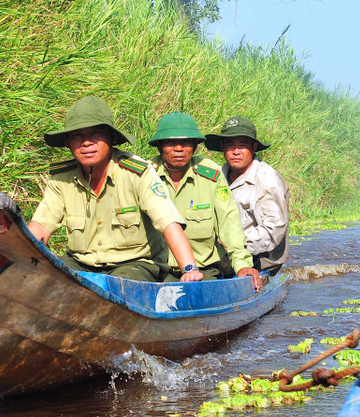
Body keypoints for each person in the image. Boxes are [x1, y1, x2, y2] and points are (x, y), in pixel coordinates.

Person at [28, 96, 204, 283]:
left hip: (134, 264)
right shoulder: (62, 179)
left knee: (119, 285)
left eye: (96, 134)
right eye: (77, 136)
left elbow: (167, 221)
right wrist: (24, 261)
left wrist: (189, 268)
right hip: (80, 263)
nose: (86, 143)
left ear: (111, 139)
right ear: (67, 142)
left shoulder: (137, 173)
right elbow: (41, 226)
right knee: (42, 280)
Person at [147, 112, 262, 292]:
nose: (179, 148)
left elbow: (229, 222)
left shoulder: (210, 174)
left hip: (203, 270)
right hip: (159, 270)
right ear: (160, 147)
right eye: (171, 143)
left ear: (194, 146)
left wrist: (242, 264)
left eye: (186, 143)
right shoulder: (146, 176)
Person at [205, 116, 289, 275]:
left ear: (253, 147)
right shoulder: (218, 175)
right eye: (230, 145)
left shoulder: (268, 180)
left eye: (242, 146)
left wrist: (231, 244)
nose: (236, 152)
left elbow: (273, 231)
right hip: (225, 248)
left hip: (259, 256)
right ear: (222, 147)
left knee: (209, 267)